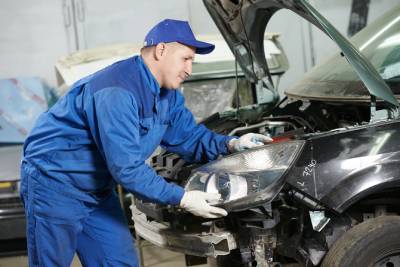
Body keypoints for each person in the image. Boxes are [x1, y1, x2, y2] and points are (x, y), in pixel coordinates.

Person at [20, 19, 272, 267]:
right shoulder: (116, 90)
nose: (189, 69)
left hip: (97, 190)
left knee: (118, 261)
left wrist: (232, 144)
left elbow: (188, 137)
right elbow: (127, 169)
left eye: (192, 61)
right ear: (161, 50)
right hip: (54, 184)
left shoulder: (168, 95)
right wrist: (182, 198)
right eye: (186, 58)